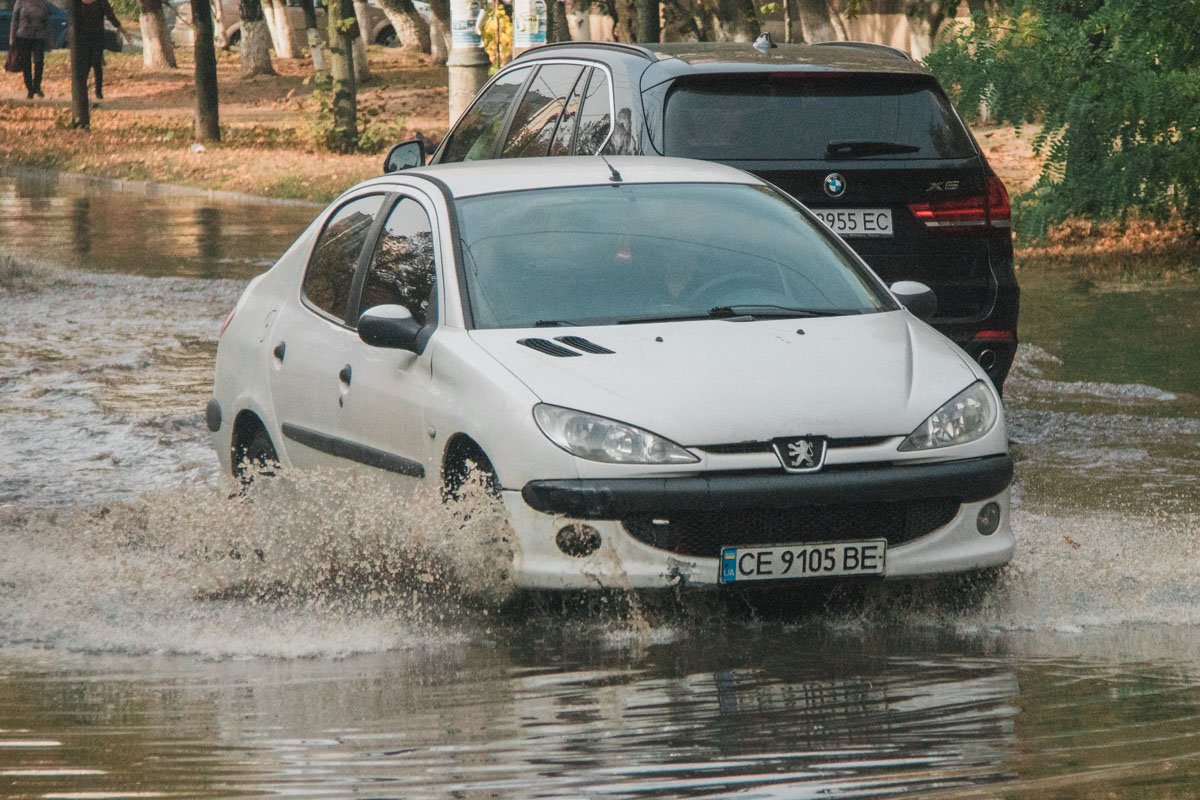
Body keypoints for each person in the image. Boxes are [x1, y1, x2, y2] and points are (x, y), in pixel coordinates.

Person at [77, 0, 128, 101]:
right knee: (85, 65)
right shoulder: (76, 3)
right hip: (82, 39)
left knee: (97, 64)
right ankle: (82, 91)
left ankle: (98, 92)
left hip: (97, 37)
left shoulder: (101, 2)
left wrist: (121, 29)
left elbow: (110, 16)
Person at [7, 0, 52, 99]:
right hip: (23, 37)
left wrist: (50, 38)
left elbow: (47, 21)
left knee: (39, 61)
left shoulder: (43, 3)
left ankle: (37, 86)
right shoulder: (20, 2)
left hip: (39, 36)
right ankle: (30, 88)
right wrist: (12, 37)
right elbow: (14, 20)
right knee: (26, 62)